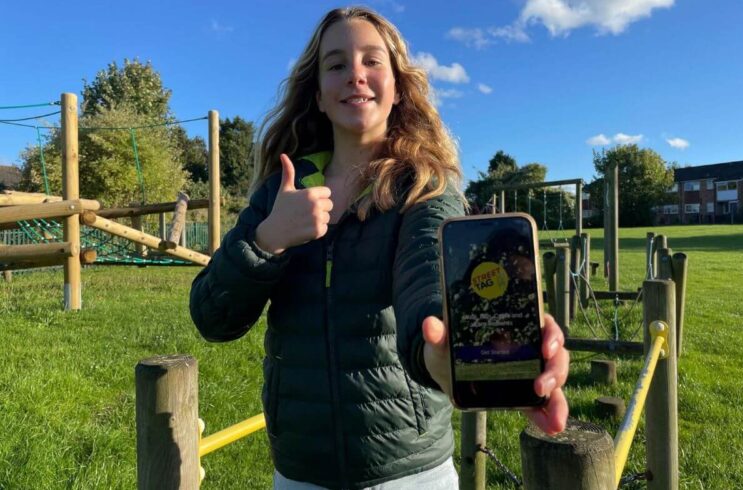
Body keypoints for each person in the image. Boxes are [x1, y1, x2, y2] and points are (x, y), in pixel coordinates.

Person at [190, 6, 569, 489]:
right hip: (300, 472)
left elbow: (425, 286)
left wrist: (443, 355)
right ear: (319, 95)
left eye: (372, 61)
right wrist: (270, 239)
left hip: (408, 474)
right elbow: (211, 316)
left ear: (398, 89)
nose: (355, 76)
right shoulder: (280, 190)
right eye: (336, 64)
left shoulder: (425, 190)